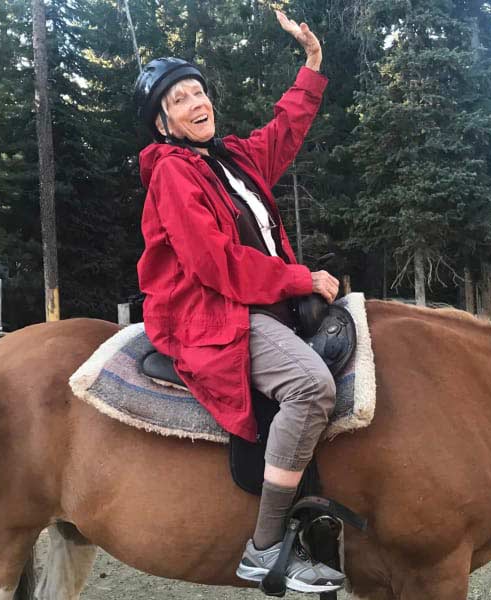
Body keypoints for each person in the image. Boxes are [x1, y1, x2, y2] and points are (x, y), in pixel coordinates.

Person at [133, 9, 345, 594]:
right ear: (163, 122)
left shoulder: (229, 160)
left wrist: (312, 65)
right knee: (310, 387)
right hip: (209, 312)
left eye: (199, 91)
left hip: (256, 302)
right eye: (180, 99)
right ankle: (266, 545)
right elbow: (215, 264)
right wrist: (298, 278)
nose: (197, 102)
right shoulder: (174, 176)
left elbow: (283, 131)